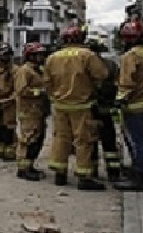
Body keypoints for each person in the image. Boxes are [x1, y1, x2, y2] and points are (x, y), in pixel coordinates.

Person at [42, 26, 109, 190]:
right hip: (82, 105)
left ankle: (60, 174)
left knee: (61, 139)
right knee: (83, 140)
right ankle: (84, 177)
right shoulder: (87, 55)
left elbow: (46, 81)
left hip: (60, 105)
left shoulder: (52, 57)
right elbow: (102, 75)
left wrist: (55, 95)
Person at [114, 20, 143, 192]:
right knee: (142, 141)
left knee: (135, 142)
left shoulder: (131, 56)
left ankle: (139, 177)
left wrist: (119, 99)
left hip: (133, 105)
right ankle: (140, 171)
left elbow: (126, 81)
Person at [13, 42, 49, 181]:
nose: (41, 57)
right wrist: (39, 92)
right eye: (38, 55)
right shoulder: (25, 71)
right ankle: (23, 169)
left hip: (38, 111)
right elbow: (21, 90)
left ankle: (29, 165)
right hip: (29, 111)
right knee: (28, 139)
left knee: (37, 140)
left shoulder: (37, 70)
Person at [90, 43, 125, 183]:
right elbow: (118, 83)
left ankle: (92, 171)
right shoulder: (110, 65)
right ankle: (113, 172)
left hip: (91, 109)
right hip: (107, 110)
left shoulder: (86, 66)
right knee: (109, 142)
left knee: (91, 141)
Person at [0, 45, 18, 160]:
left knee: (9, 127)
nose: (5, 57)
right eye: (3, 55)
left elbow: (18, 88)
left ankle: (10, 150)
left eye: (7, 55)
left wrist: (10, 99)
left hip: (10, 102)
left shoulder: (15, 70)